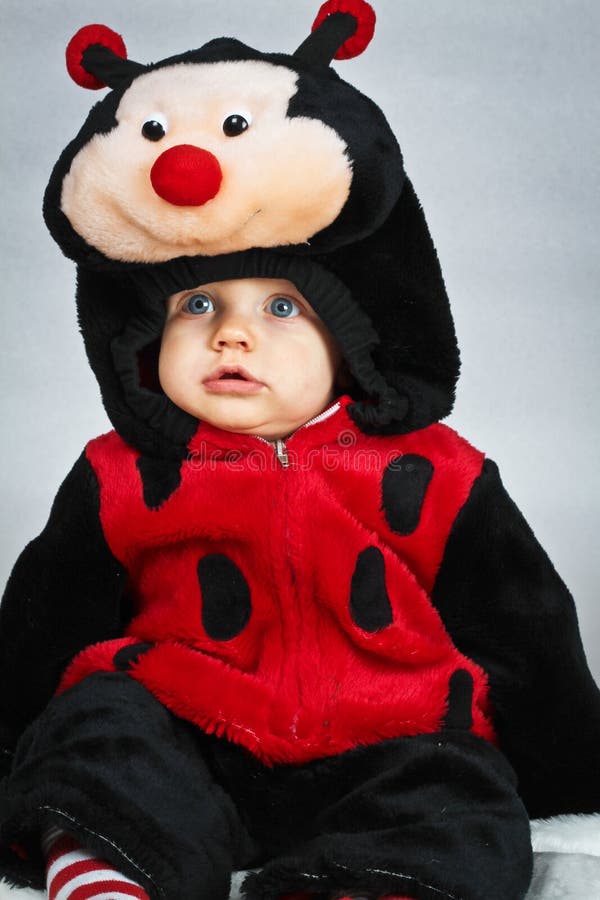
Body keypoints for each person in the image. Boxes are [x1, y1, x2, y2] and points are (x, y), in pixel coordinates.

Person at [0, 3, 599, 900]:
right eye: (197, 308)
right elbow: (44, 619)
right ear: (143, 339)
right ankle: (109, 865)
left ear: (355, 340)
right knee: (101, 727)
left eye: (281, 309)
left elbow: (525, 623)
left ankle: (368, 884)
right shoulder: (121, 474)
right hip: (190, 733)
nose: (231, 338)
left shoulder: (439, 473)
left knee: (460, 790)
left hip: (385, 740)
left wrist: (569, 767)